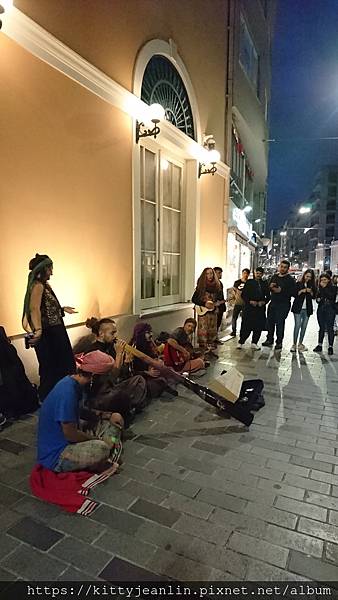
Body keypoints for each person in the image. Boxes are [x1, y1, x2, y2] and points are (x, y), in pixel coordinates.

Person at [37, 351, 123, 473]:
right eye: (105, 376)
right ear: (94, 376)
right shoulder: (67, 392)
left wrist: (107, 415)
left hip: (73, 435)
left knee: (116, 420)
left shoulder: (74, 384)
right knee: (102, 448)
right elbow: (70, 434)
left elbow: (79, 411)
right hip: (57, 454)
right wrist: (94, 439)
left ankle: (109, 446)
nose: (107, 380)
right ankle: (107, 449)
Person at [22, 254, 77, 400]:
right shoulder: (38, 286)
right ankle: (51, 398)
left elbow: (45, 307)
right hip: (50, 333)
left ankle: (60, 396)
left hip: (55, 330)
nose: (52, 272)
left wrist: (61, 309)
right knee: (52, 366)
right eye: (50, 269)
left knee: (60, 364)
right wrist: (39, 330)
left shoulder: (44, 285)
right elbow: (34, 309)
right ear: (44, 269)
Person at [85, 317, 147, 418]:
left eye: (115, 333)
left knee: (139, 380)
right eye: (112, 333)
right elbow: (111, 377)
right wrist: (119, 355)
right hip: (100, 393)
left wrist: (126, 361)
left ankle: (131, 407)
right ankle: (126, 412)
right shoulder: (95, 352)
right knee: (121, 396)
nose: (115, 336)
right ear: (101, 334)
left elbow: (120, 374)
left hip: (112, 386)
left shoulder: (109, 346)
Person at [129, 322, 174, 398]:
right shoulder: (133, 347)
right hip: (141, 377)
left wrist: (157, 360)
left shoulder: (147, 344)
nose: (151, 334)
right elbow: (131, 372)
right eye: (148, 332)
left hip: (151, 372)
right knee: (157, 383)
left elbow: (153, 357)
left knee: (169, 370)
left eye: (151, 332)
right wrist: (147, 373)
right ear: (141, 334)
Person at [262, 260, 296, 350]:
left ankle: (279, 342)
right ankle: (269, 339)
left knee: (280, 323)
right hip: (273, 303)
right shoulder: (274, 276)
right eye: (281, 266)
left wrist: (282, 291)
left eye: (285, 267)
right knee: (270, 322)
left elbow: (294, 292)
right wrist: (270, 286)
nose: (283, 269)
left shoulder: (290, 280)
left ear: (288, 269)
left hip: (283, 304)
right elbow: (268, 287)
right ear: (279, 266)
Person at [191, 268, 223, 357]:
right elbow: (194, 299)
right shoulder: (201, 286)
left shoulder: (217, 286)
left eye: (211, 274)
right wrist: (204, 303)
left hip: (213, 313)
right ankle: (202, 352)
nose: (210, 276)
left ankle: (210, 351)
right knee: (203, 331)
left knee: (212, 331)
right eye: (207, 274)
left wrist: (217, 305)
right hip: (203, 313)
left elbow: (219, 300)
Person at [237, 267, 270, 350]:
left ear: (262, 274)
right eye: (257, 273)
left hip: (260, 308)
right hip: (249, 308)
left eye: (260, 273)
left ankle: (254, 342)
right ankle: (241, 342)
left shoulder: (265, 283)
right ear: (254, 273)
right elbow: (243, 295)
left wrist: (263, 302)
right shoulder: (249, 282)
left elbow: (268, 296)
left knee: (258, 326)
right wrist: (250, 301)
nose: (258, 275)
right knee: (246, 325)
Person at [290, 269, 316, 352]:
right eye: (307, 276)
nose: (308, 278)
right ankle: (294, 344)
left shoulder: (312, 285)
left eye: (310, 277)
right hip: (298, 308)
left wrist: (311, 292)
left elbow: (314, 296)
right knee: (297, 325)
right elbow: (294, 294)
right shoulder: (298, 283)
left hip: (307, 309)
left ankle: (300, 343)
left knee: (304, 326)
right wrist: (302, 291)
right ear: (304, 275)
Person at [313, 273, 337, 356]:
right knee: (321, 328)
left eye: (325, 280)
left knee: (330, 328)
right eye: (322, 280)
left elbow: (331, 296)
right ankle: (319, 345)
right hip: (321, 309)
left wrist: (323, 288)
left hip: (330, 310)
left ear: (329, 280)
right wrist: (318, 299)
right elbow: (318, 298)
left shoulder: (334, 288)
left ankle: (330, 346)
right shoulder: (319, 288)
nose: (323, 281)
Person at [230, 269, 250, 337]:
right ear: (242, 273)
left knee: (244, 318)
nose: (245, 275)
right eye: (244, 273)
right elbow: (234, 291)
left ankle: (242, 331)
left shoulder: (249, 283)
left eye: (247, 273)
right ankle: (233, 331)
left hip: (246, 303)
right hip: (238, 302)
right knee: (234, 317)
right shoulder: (237, 282)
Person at [214, 267, 226, 342]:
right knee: (215, 323)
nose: (220, 274)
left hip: (220, 305)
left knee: (218, 322)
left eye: (221, 273)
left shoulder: (220, 283)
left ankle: (216, 337)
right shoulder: (213, 284)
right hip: (215, 306)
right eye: (218, 273)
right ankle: (213, 339)